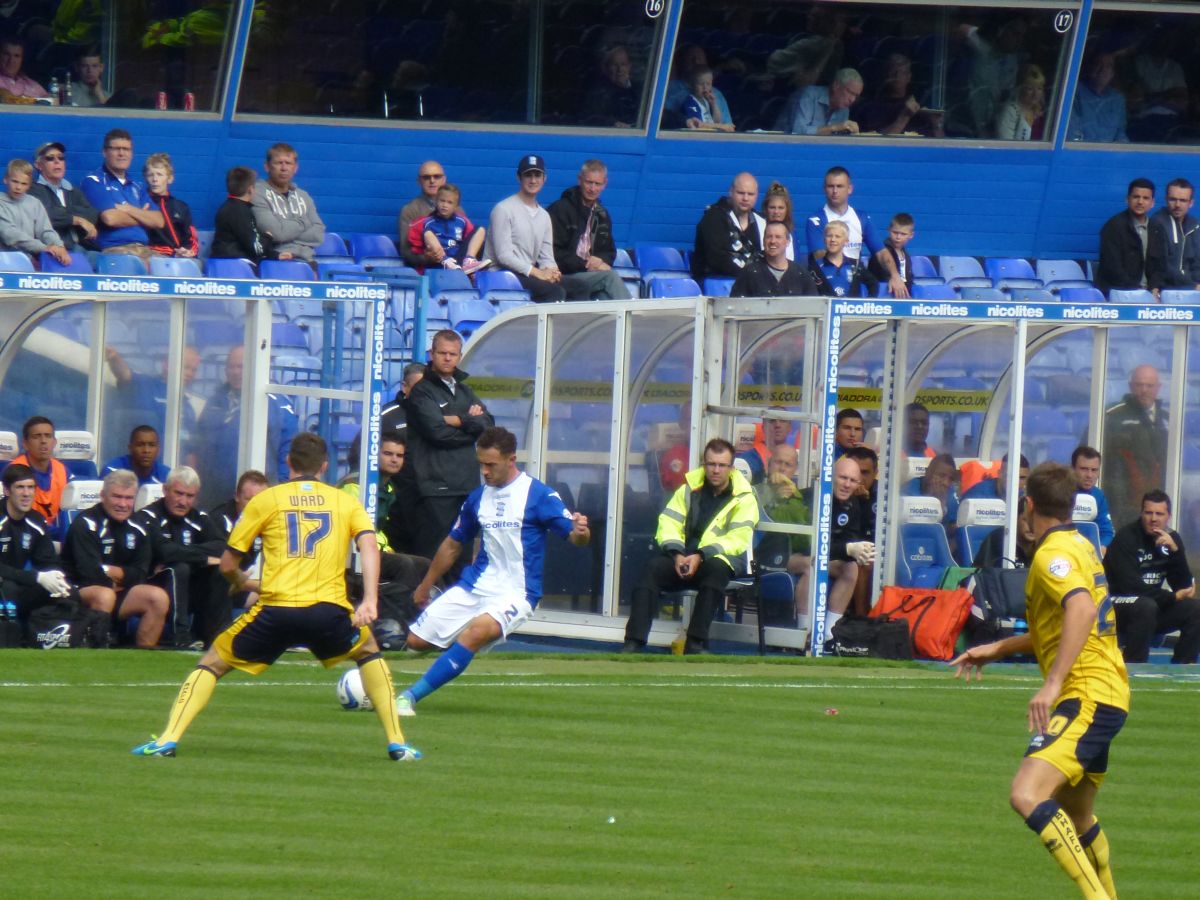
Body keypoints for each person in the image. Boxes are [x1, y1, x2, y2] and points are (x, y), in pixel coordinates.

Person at [131, 432, 420, 762]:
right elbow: (369, 545)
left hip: (276, 610)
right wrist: (369, 599)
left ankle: (168, 739)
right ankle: (397, 742)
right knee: (368, 652)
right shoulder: (344, 501)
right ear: (324, 466)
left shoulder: (266, 501)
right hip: (328, 611)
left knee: (212, 662)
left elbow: (228, 564)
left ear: (288, 463)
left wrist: (240, 580)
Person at [951, 462, 1128, 900]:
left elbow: (1082, 612)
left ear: (1028, 505)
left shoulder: (1052, 556)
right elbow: (1066, 622)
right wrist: (1000, 648)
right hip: (1106, 690)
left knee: (1027, 794)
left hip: (1085, 694)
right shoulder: (1082, 544)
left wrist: (1051, 685)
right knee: (1077, 813)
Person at [395, 426, 590, 714]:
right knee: (416, 641)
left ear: (511, 460)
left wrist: (581, 531)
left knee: (475, 633)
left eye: (491, 465)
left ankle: (408, 698)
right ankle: (457, 655)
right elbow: (452, 545)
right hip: (475, 586)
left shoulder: (539, 496)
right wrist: (426, 585)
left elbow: (575, 538)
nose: (485, 471)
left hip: (517, 593)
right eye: (481, 464)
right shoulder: (477, 498)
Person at [621, 437, 757, 655]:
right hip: (682, 558)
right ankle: (633, 641)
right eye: (711, 464)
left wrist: (701, 555)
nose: (715, 470)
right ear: (704, 464)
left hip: (718, 559)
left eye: (722, 465)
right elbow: (668, 523)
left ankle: (695, 642)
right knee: (652, 570)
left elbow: (738, 538)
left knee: (717, 571)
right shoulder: (687, 490)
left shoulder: (745, 498)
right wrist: (676, 554)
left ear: (731, 469)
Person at [399, 329, 494, 570]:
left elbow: (488, 424)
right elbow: (437, 433)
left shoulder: (464, 390)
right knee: (433, 559)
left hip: (466, 486)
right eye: (442, 353)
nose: (448, 358)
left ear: (460, 356)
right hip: (435, 488)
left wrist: (456, 420)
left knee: (461, 558)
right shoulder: (422, 391)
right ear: (432, 354)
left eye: (453, 354)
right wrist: (470, 424)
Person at [61, 469, 170, 649]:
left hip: (118, 592)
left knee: (157, 597)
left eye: (128, 498)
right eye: (117, 497)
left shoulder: (140, 526)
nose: (123, 504)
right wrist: (121, 578)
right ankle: (96, 649)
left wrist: (112, 572)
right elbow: (90, 574)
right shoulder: (86, 523)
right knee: (105, 594)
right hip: (78, 592)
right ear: (103, 496)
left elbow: (141, 574)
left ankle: (144, 656)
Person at [191, 345, 298, 506]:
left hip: (256, 499)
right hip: (213, 496)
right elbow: (199, 444)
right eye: (231, 367)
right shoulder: (215, 402)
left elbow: (287, 452)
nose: (236, 372)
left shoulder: (277, 405)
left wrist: (278, 491)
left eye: (241, 367)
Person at [135, 465, 229, 648]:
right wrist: (202, 558)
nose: (183, 501)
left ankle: (218, 639)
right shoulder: (148, 516)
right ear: (165, 490)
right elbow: (164, 552)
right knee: (179, 568)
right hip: (156, 584)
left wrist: (185, 552)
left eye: (190, 496)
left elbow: (221, 546)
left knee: (220, 569)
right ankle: (181, 636)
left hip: (191, 586)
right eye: (178, 493)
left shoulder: (199, 517)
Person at [1103, 489, 1200, 665]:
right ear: (1141, 514)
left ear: (1168, 516)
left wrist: (1175, 552)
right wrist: (1171, 597)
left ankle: (1183, 669)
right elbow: (1130, 587)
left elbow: (1184, 586)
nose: (1153, 518)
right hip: (1118, 605)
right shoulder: (1125, 539)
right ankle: (1134, 667)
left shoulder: (1171, 539)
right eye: (1148, 513)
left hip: (1152, 605)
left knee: (1196, 609)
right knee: (1145, 606)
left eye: (1159, 514)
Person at [796, 455, 873, 638]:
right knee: (811, 564)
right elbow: (807, 545)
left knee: (851, 568)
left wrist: (858, 551)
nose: (847, 484)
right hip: (793, 555)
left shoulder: (852, 503)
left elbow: (849, 541)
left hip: (822, 556)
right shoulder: (810, 498)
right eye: (843, 478)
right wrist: (847, 549)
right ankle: (803, 631)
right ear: (830, 476)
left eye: (853, 481)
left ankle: (828, 633)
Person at [0, 463, 71, 634]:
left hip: (18, 584)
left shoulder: (36, 521)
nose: (26, 494)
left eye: (31, 487)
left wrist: (56, 576)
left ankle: (53, 636)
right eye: (20, 488)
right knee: (8, 588)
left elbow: (47, 560)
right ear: (7, 491)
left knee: (66, 592)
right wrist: (37, 577)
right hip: (6, 585)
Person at [546, 159, 630, 301]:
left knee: (605, 297)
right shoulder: (560, 209)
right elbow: (553, 252)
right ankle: (634, 316)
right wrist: (586, 264)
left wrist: (600, 261)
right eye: (588, 182)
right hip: (562, 275)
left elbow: (609, 252)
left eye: (597, 184)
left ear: (605, 184)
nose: (592, 188)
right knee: (610, 277)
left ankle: (622, 321)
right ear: (580, 180)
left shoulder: (602, 215)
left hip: (590, 275)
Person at [486, 154, 564, 302]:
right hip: (502, 275)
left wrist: (552, 271)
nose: (533, 180)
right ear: (519, 178)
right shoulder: (503, 209)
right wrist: (537, 273)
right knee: (554, 292)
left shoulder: (544, 216)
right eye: (528, 175)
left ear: (544, 178)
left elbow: (547, 257)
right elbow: (504, 257)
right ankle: (544, 326)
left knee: (580, 286)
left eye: (537, 175)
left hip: (527, 274)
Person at [81, 128, 164, 260]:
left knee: (172, 271)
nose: (121, 153)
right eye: (116, 149)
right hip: (114, 250)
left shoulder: (137, 185)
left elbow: (159, 221)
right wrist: (143, 217)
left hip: (143, 249)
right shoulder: (94, 181)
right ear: (105, 152)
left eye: (126, 149)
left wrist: (128, 209)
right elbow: (111, 219)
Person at [104, 345, 201, 454]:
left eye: (194, 370)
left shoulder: (188, 409)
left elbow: (189, 452)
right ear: (167, 364)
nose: (190, 374)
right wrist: (114, 358)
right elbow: (124, 374)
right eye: (186, 367)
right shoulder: (145, 385)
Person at [1102, 364, 1166, 529]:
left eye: (1149, 385)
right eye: (1139, 385)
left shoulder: (1168, 420)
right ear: (1131, 386)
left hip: (1156, 499)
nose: (1144, 390)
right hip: (1120, 499)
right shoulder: (1112, 417)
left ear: (1158, 388)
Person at [804, 167, 890, 280]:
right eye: (831, 186)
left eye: (839, 186)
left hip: (853, 282)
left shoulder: (862, 218)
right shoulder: (816, 220)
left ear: (850, 189)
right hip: (826, 281)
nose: (835, 191)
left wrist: (895, 276)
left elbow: (881, 252)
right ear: (824, 189)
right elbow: (819, 256)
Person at [251, 142, 325, 263]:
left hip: (306, 260)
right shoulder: (257, 193)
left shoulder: (303, 196)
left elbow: (318, 234)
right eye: (278, 163)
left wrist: (286, 233)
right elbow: (276, 233)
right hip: (275, 260)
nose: (284, 168)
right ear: (267, 166)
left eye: (288, 163)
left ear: (295, 168)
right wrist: (304, 222)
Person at [208, 469, 269, 612]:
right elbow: (220, 568)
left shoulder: (268, 520)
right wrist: (257, 585)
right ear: (236, 496)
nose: (256, 506)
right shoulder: (218, 521)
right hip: (220, 589)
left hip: (245, 585)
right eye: (249, 500)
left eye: (261, 501)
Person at [691, 172, 763, 282]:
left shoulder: (761, 222)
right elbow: (717, 259)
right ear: (731, 191)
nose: (745, 198)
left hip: (752, 284)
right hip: (715, 284)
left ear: (757, 195)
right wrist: (750, 276)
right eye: (741, 193)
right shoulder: (713, 218)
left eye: (750, 194)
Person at [210, 166, 290, 263]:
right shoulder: (242, 212)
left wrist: (275, 255)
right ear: (250, 189)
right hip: (238, 265)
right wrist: (268, 237)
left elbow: (245, 242)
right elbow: (256, 249)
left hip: (220, 263)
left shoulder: (225, 207)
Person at [29, 141, 99, 251]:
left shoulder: (72, 189)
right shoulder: (33, 189)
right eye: (50, 158)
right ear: (38, 165)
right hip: (54, 250)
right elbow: (45, 216)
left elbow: (92, 214)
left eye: (61, 158)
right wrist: (77, 220)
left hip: (83, 246)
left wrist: (65, 214)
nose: (57, 161)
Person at [0, 158, 71, 264]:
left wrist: (59, 246)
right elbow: (10, 235)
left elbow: (45, 231)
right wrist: (44, 248)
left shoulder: (34, 203)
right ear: (5, 180)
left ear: (29, 186)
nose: (18, 187)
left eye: (24, 184)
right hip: (5, 258)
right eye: (15, 181)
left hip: (32, 256)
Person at [854, 53, 944, 137]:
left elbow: (941, 144)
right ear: (886, 75)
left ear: (909, 77)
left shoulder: (918, 109)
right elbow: (879, 143)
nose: (897, 76)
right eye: (893, 72)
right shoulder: (872, 108)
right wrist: (904, 117)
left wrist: (936, 125)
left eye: (902, 72)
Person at [1095, 178, 1154, 296]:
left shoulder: (1156, 228)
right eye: (1136, 197)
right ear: (1127, 200)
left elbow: (1160, 264)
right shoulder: (1113, 227)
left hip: (1148, 293)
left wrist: (1155, 287)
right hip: (1118, 293)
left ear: (1152, 203)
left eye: (1145, 198)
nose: (1140, 202)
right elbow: (1112, 268)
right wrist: (1135, 290)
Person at [411, 182, 487, 274]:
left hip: (458, 260)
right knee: (427, 233)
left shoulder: (462, 221)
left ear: (456, 206)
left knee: (480, 229)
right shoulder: (428, 222)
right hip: (440, 261)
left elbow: (471, 239)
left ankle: (469, 261)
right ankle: (446, 261)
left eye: (449, 202)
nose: (445, 205)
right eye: (442, 201)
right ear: (436, 201)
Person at [731, 221, 817, 298]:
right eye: (769, 237)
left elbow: (814, 309)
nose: (772, 241)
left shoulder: (802, 274)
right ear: (764, 240)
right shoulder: (749, 273)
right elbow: (736, 308)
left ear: (787, 241)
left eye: (778, 237)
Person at [398, 160, 459, 269]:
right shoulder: (410, 210)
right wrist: (426, 258)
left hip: (455, 266)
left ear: (444, 180)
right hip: (426, 271)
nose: (432, 181)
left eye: (437, 176)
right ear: (419, 181)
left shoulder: (457, 209)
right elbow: (405, 251)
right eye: (426, 177)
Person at [10, 416, 69, 527]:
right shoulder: (14, 470)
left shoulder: (63, 470)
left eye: (48, 436)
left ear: (54, 442)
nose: (43, 441)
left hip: (56, 535)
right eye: (36, 437)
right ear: (25, 444)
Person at [1146, 177, 1200, 295]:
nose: (1177, 205)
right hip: (1167, 290)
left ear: (1191, 203)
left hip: (1192, 289)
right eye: (1173, 199)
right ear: (1166, 200)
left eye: (1183, 200)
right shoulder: (1158, 223)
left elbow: (1197, 263)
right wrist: (1194, 286)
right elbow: (1163, 268)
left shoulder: (1195, 225)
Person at [142, 152, 198, 258]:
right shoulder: (141, 203)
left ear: (170, 178)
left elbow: (191, 239)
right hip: (153, 257)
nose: (154, 179)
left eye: (159, 174)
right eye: (150, 175)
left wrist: (188, 251)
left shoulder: (181, 207)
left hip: (181, 258)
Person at [776, 67, 862, 136]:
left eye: (856, 96)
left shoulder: (844, 109)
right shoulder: (809, 95)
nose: (852, 99)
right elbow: (798, 132)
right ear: (836, 86)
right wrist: (835, 128)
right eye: (850, 92)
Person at [1067, 53, 1128, 144]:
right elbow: (1073, 136)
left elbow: (1120, 134)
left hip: (1109, 155)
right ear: (1089, 67)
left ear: (1112, 73)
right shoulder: (1075, 92)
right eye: (1098, 64)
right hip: (1082, 154)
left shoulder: (1117, 99)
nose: (1103, 69)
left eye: (1108, 66)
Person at [809, 220, 876, 298]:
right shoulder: (815, 266)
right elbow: (808, 292)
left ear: (846, 241)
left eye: (838, 236)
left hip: (851, 309)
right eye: (829, 236)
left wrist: (867, 304)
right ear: (824, 240)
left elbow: (873, 283)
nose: (833, 240)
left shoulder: (856, 265)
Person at [903, 451, 960, 538]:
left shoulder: (950, 492)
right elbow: (919, 528)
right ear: (928, 473)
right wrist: (935, 503)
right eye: (941, 475)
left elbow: (954, 531)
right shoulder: (910, 489)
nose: (946, 483)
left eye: (951, 479)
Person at [585, 44, 639, 128]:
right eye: (614, 65)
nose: (619, 69)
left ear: (629, 66)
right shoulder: (599, 94)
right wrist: (613, 123)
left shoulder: (643, 90)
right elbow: (590, 117)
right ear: (606, 68)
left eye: (623, 64)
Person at [1071, 446, 1114, 550]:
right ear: (1072, 469)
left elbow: (1107, 531)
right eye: (1084, 469)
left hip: (1090, 553)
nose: (1089, 475)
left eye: (1094, 470)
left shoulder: (1098, 496)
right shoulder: (1059, 492)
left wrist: (1102, 546)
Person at [101, 425, 170, 486]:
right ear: (130, 448)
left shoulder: (166, 475)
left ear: (158, 449)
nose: (146, 450)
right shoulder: (113, 471)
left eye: (151, 445)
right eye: (140, 445)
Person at [868, 213, 916, 299]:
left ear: (911, 235)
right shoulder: (881, 252)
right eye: (895, 232)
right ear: (889, 230)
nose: (898, 237)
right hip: (883, 297)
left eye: (903, 234)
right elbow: (874, 276)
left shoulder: (906, 255)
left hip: (904, 297)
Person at [994, 64, 1046, 141]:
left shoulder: (1041, 113)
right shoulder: (1011, 111)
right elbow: (1005, 146)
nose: (1035, 94)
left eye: (1039, 89)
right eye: (1030, 88)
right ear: (1020, 89)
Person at [682, 66, 734, 132]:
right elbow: (697, 124)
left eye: (708, 84)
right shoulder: (690, 102)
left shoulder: (707, 100)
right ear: (692, 85)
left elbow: (717, 121)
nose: (705, 87)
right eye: (701, 84)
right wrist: (722, 126)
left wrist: (713, 104)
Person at [760, 181, 796, 260]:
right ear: (766, 208)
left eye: (781, 208)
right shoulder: (758, 228)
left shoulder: (792, 233)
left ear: (787, 209)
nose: (776, 212)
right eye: (772, 207)